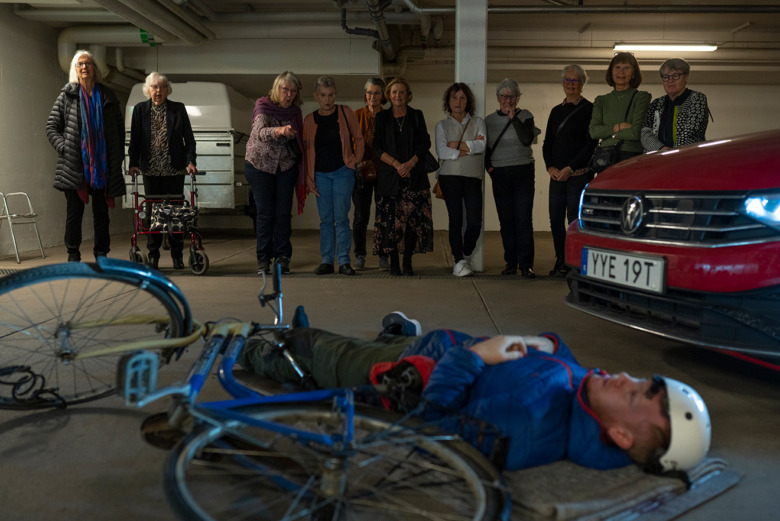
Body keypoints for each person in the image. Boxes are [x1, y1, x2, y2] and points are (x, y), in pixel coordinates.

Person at [238, 311, 712, 474]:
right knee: (344, 346)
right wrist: (548, 342)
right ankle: (312, 348)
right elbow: (563, 360)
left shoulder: (527, 424)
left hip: (408, 373)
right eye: (641, 381)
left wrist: (476, 358)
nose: (626, 377)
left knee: (318, 352)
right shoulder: (588, 398)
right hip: (436, 347)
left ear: (623, 438)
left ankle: (258, 350)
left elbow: (430, 424)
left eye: (634, 396)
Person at [46, 50, 125, 262]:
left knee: (101, 215)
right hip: (75, 165)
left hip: (102, 166)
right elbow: (52, 127)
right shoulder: (67, 95)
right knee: (74, 214)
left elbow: (118, 129)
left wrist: (118, 156)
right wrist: (66, 148)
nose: (84, 67)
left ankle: (101, 254)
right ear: (75, 69)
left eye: (88, 63)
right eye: (80, 64)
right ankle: (73, 254)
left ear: (94, 68)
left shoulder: (107, 95)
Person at [127, 72, 198, 270]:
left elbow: (189, 139)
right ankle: (153, 256)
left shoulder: (178, 109)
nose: (158, 91)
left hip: (174, 170)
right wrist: (133, 163)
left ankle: (177, 256)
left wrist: (190, 161)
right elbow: (135, 142)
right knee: (153, 213)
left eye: (162, 87)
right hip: (150, 170)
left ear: (167, 89)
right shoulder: (140, 110)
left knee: (175, 213)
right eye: (154, 87)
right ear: (148, 90)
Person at [372, 78, 434, 276]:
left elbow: (425, 143)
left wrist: (410, 164)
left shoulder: (417, 115)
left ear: (408, 95)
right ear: (388, 95)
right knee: (391, 221)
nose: (398, 95)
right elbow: (376, 147)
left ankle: (407, 260)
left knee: (413, 221)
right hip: (390, 176)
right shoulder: (382, 118)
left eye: (402, 92)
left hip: (414, 175)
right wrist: (397, 164)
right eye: (394, 92)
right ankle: (394, 262)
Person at [245, 71, 305, 276]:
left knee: (283, 214)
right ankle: (263, 259)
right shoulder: (263, 105)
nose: (288, 94)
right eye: (285, 89)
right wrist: (278, 131)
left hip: (286, 167)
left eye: (292, 91)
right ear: (276, 88)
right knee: (265, 214)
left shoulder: (295, 112)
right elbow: (259, 133)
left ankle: (283, 257)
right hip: (259, 166)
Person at [303, 76, 364, 276]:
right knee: (326, 219)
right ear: (316, 96)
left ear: (335, 95)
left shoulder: (345, 112)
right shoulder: (309, 120)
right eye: (323, 95)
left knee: (342, 217)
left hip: (342, 172)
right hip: (320, 175)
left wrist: (355, 161)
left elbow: (359, 137)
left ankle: (345, 261)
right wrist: (309, 179)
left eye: (330, 95)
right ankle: (327, 261)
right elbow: (306, 152)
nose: (327, 99)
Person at [542, 65, 598, 277]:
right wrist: (551, 167)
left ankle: (575, 264)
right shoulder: (556, 111)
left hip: (578, 175)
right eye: (567, 80)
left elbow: (590, 145)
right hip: (556, 177)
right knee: (555, 220)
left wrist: (570, 168)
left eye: (575, 80)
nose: (571, 84)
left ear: (582, 83)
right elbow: (547, 143)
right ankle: (561, 261)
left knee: (575, 221)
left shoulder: (590, 109)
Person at [484, 78, 540, 278]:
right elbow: (485, 148)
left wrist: (512, 118)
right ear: (498, 98)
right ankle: (510, 262)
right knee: (506, 220)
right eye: (504, 96)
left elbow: (526, 139)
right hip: (500, 174)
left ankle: (526, 265)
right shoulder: (488, 121)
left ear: (518, 99)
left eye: (513, 97)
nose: (508, 100)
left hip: (523, 172)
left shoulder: (526, 116)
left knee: (523, 219)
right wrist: (489, 168)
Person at [435, 83, 487, 277]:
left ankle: (465, 253)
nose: (458, 102)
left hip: (473, 177)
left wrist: (456, 146)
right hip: (449, 178)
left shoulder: (478, 122)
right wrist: (467, 149)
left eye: (462, 98)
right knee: (455, 219)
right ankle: (458, 260)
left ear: (468, 101)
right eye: (454, 98)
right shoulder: (442, 125)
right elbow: (442, 151)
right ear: (448, 101)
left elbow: (482, 146)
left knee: (474, 221)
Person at [352, 78, 390, 271]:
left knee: (383, 215)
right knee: (360, 216)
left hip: (384, 171)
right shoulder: (356, 115)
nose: (372, 96)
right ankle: (359, 255)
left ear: (382, 95)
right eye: (369, 92)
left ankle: (383, 255)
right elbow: (349, 143)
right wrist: (355, 162)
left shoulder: (388, 116)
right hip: (361, 172)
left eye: (376, 93)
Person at [589, 52, 651, 162]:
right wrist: (618, 127)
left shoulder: (641, 97)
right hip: (605, 157)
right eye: (617, 67)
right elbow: (594, 132)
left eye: (627, 67)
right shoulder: (601, 100)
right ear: (611, 72)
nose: (621, 72)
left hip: (631, 157)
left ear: (633, 73)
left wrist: (610, 135)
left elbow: (636, 133)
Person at [641, 58, 710, 152]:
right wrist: (661, 149)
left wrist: (673, 153)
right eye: (666, 77)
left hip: (688, 156)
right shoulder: (656, 104)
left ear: (686, 77)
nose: (670, 80)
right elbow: (645, 133)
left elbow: (691, 131)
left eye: (676, 76)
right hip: (659, 158)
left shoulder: (696, 98)